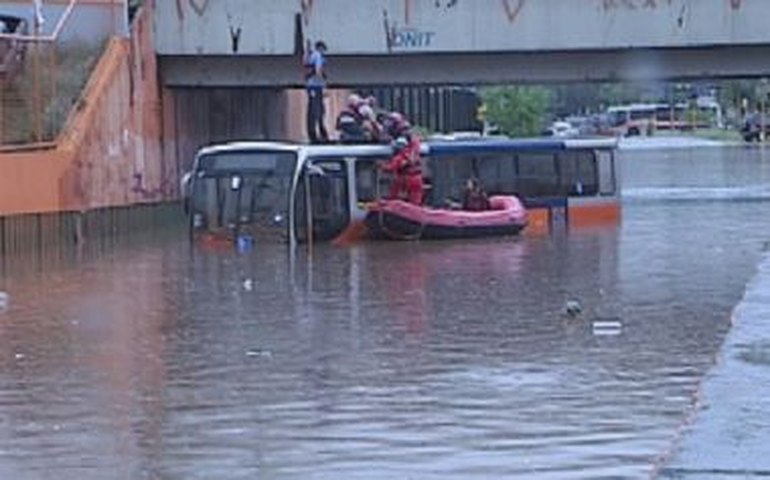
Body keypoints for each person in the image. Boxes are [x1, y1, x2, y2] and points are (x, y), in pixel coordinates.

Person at [380, 113, 424, 205]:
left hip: (406, 176)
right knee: (415, 201)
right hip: (415, 176)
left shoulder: (401, 153)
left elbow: (392, 166)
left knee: (395, 199)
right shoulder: (414, 143)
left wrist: (380, 166)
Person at [304, 40, 329, 144]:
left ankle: (314, 133)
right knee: (317, 110)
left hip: (311, 86)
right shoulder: (318, 56)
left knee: (313, 110)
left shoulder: (310, 56)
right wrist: (323, 86)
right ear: (320, 48)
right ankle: (319, 134)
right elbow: (318, 70)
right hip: (316, 86)